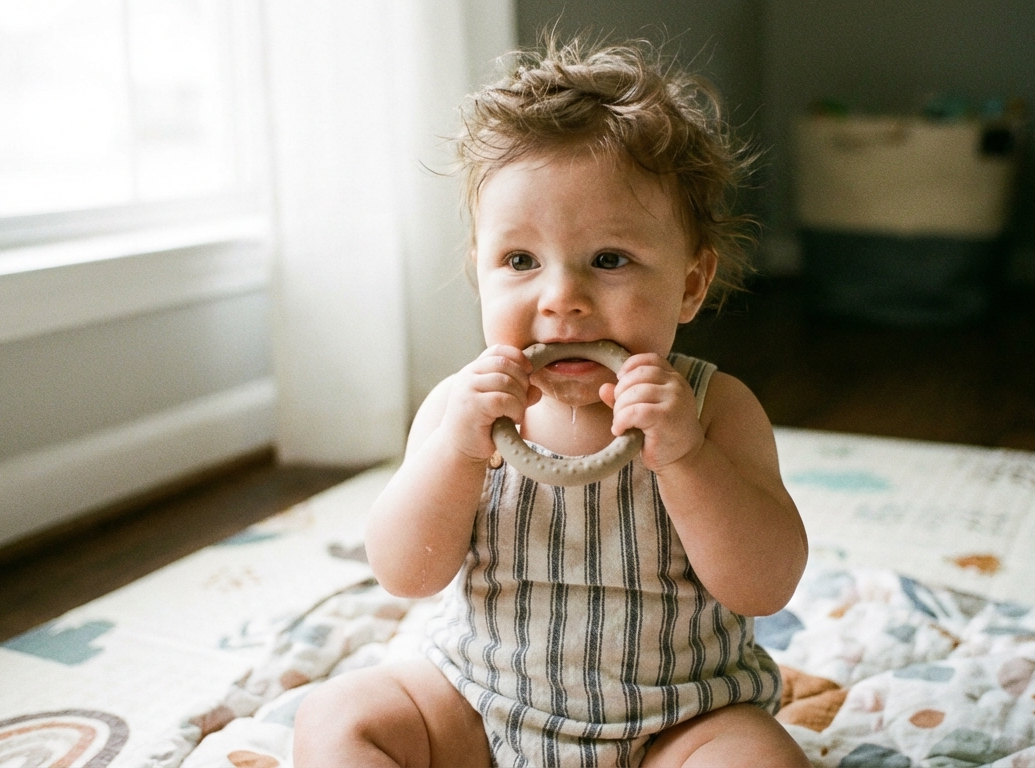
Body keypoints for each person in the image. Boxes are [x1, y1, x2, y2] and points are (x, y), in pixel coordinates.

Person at [294, 36, 809, 768]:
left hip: (680, 718)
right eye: (520, 262)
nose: (561, 299)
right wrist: (454, 453)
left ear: (691, 284)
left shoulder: (716, 408)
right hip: (479, 700)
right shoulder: (461, 408)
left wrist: (690, 459)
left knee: (761, 761)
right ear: (481, 272)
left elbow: (765, 584)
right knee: (336, 716)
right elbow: (406, 573)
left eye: (609, 260)